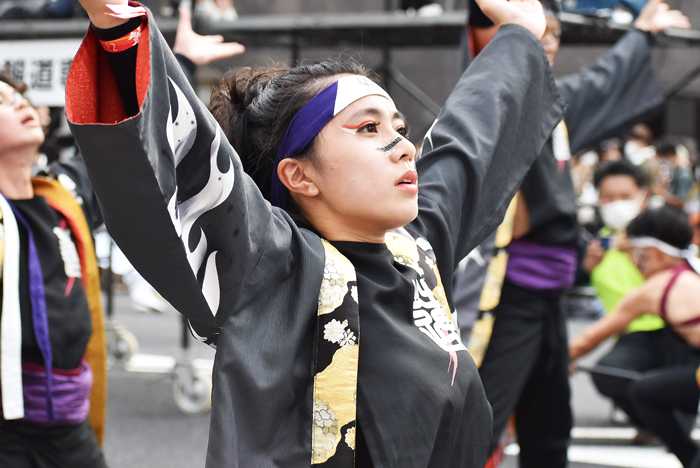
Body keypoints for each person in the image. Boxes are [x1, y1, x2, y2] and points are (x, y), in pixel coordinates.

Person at [65, 0, 565, 465]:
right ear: (297, 175)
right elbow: (189, 158)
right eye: (367, 128)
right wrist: (119, 23)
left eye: (399, 128)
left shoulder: (416, 247)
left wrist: (520, 33)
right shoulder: (269, 267)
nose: (403, 147)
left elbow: (471, 137)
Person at [452, 0, 691, 466]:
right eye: (536, 30)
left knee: (550, 422)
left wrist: (641, 33)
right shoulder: (488, 100)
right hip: (506, 294)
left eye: (555, 32)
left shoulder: (554, 104)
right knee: (481, 418)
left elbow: (604, 79)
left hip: (552, 296)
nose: (549, 41)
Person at [0, 74, 107, 466]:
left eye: (19, 97)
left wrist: (172, 60)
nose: (19, 104)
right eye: (1, 100)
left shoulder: (61, 197)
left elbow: (112, 145)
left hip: (69, 431)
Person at [570, 206, 700, 467]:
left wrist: (559, 358)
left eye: (635, 254)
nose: (632, 261)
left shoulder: (654, 289)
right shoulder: (691, 269)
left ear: (655, 253)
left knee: (644, 392)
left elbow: (587, 340)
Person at [654, 141, 695, 211]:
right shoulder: (676, 170)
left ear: (668, 155)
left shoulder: (684, 175)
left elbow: (681, 202)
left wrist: (662, 193)